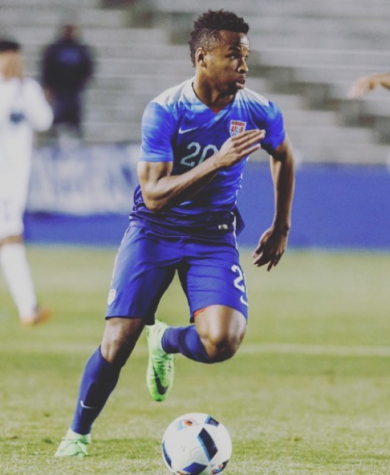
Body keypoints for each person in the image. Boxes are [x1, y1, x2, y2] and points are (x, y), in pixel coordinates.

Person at [55, 9, 295, 458]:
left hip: (212, 235)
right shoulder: (166, 110)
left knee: (222, 341)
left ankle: (164, 340)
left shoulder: (257, 108)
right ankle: (78, 434)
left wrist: (281, 224)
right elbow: (153, 195)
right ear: (203, 58)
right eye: (233, 56)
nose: (243, 65)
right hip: (154, 231)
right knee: (117, 341)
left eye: (246, 56)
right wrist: (216, 162)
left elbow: (283, 153)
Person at [0, 39, 53, 326]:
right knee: (10, 238)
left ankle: (28, 308)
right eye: (8, 59)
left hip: (16, 179)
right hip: (2, 181)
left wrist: (27, 96)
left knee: (8, 240)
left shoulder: (27, 89)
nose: (13, 64)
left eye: (16, 59)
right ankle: (28, 308)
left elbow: (44, 120)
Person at [40, 21, 94, 138]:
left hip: (74, 89)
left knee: (74, 113)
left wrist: (81, 82)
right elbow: (47, 67)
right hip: (58, 88)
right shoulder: (55, 48)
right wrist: (48, 86)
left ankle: (75, 134)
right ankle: (54, 135)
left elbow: (88, 67)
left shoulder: (80, 49)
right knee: (57, 113)